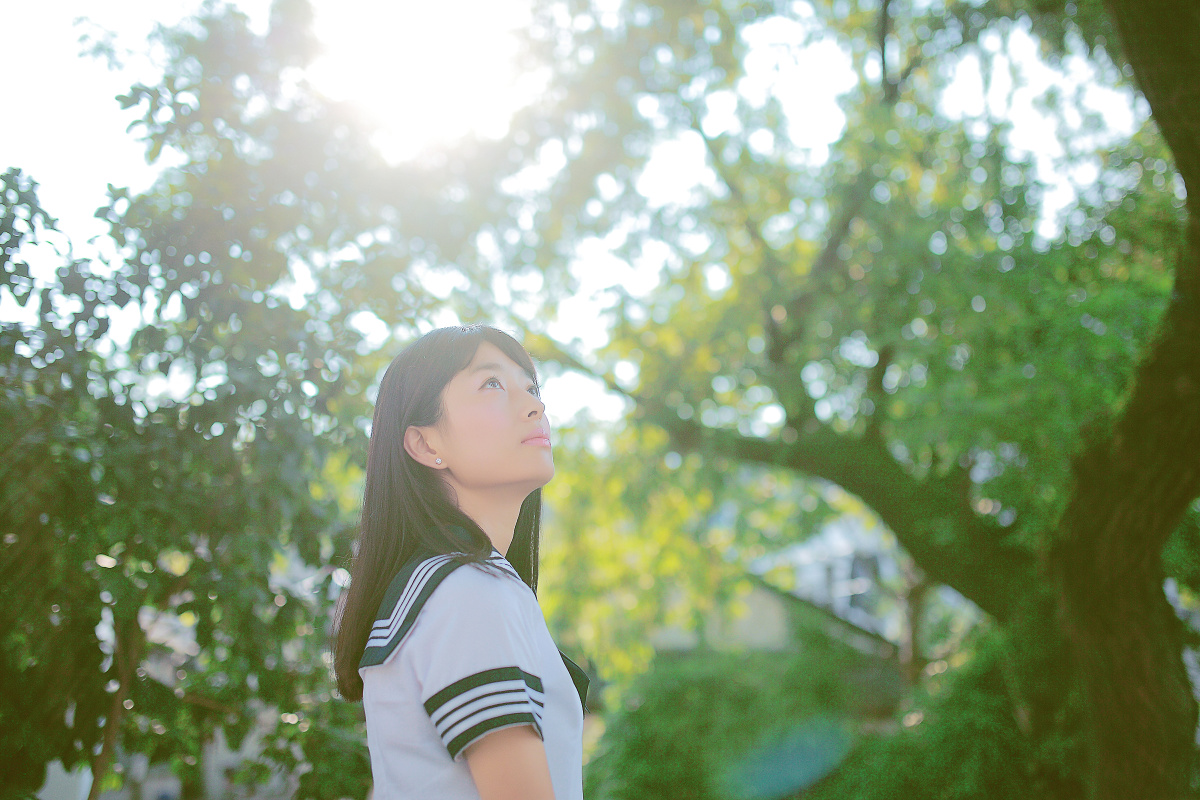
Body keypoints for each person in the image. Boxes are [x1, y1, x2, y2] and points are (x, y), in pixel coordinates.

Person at [333, 325, 588, 800]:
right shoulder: (468, 591)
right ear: (426, 445)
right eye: (491, 383)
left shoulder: (446, 586)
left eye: (532, 388)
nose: (535, 406)